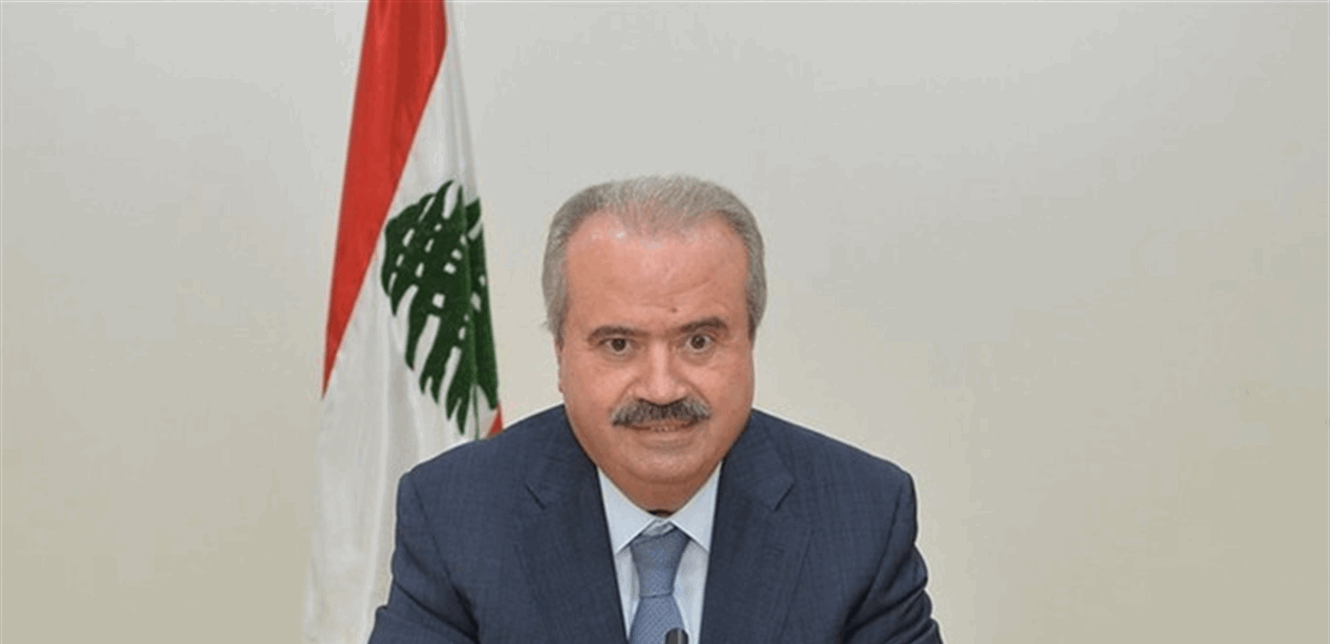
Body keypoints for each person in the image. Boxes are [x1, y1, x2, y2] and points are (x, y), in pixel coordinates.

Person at [367, 175, 943, 644]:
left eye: (699, 341)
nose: (662, 389)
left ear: (750, 342)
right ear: (560, 354)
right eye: (619, 344)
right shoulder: (455, 517)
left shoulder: (860, 516)